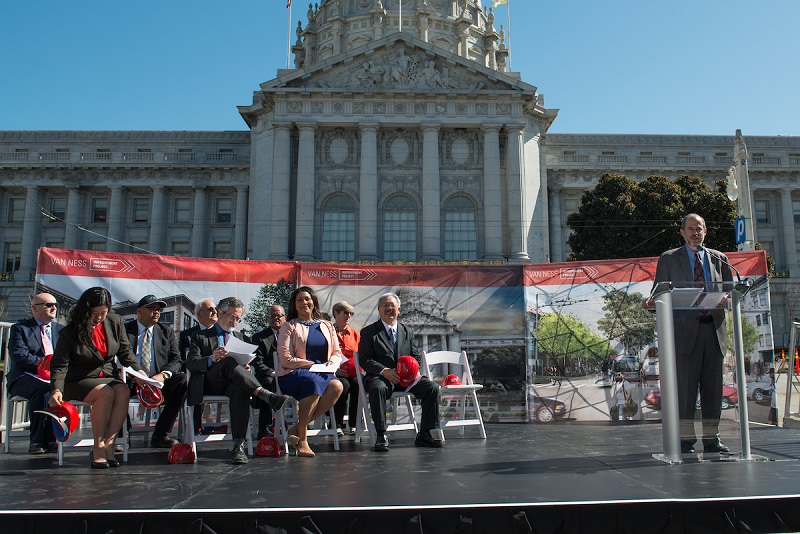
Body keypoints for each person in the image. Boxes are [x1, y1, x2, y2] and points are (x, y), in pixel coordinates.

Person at [646, 213, 734, 454]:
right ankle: (685, 441)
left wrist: (727, 299)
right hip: (684, 334)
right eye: (691, 228)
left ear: (706, 231)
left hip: (714, 332)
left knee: (713, 390)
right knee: (685, 390)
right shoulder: (669, 259)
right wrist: (654, 302)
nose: (696, 232)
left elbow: (731, 293)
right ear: (682, 232)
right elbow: (660, 293)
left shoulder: (720, 260)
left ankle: (711, 440)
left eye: (700, 228)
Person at [186, 297, 288, 464]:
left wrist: (248, 370)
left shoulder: (243, 338)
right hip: (209, 382)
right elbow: (191, 363)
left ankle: (238, 445)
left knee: (240, 388)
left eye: (238, 319)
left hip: (234, 383)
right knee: (227, 361)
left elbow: (254, 365)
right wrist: (212, 358)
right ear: (220, 313)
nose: (235, 321)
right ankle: (263, 393)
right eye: (231, 317)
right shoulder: (200, 335)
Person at [49, 287, 141, 469]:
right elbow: (60, 364)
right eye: (95, 313)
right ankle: (97, 447)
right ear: (86, 310)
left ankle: (110, 444)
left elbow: (125, 351)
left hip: (107, 375)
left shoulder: (115, 321)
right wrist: (56, 389)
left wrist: (140, 374)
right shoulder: (70, 332)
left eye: (103, 313)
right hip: (79, 379)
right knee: (105, 393)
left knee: (122, 389)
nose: (99, 317)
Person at [358, 292, 443, 452]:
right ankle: (381, 435)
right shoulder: (369, 332)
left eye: (392, 306)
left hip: (406, 379)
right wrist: (384, 371)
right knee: (378, 388)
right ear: (379, 309)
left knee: (431, 387)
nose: (389, 309)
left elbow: (415, 356)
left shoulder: (407, 331)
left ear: (399, 309)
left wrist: (412, 372)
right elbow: (365, 359)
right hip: (381, 377)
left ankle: (424, 433)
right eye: (385, 305)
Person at [275, 286, 344, 457]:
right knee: (312, 382)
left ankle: (296, 428)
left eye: (307, 299)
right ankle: (302, 441)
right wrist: (310, 364)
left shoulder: (327, 325)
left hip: (323, 372)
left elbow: (337, 352)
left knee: (337, 387)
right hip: (295, 372)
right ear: (294, 305)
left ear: (313, 302)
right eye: (299, 300)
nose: (304, 302)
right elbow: (285, 359)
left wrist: (331, 364)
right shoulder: (288, 326)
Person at [124, 295, 188, 448]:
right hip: (131, 379)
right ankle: (121, 434)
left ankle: (161, 434)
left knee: (183, 381)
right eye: (151, 309)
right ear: (139, 311)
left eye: (158, 310)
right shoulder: (125, 330)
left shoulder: (166, 331)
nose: (156, 312)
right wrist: (134, 375)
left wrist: (163, 375)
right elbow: (119, 357)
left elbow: (176, 360)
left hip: (157, 381)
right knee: (117, 386)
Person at [8, 293, 63, 454]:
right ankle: (38, 440)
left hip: (55, 376)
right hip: (25, 376)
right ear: (34, 308)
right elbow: (20, 357)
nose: (53, 308)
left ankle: (54, 438)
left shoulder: (62, 330)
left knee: (56, 388)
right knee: (43, 390)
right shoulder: (20, 329)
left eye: (55, 305)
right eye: (48, 305)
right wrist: (46, 366)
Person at [178, 298, 218, 434]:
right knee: (194, 381)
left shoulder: (222, 333)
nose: (215, 312)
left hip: (220, 376)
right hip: (197, 375)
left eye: (215, 309)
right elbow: (183, 361)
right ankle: (195, 429)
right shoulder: (187, 336)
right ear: (199, 314)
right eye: (210, 309)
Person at [249, 304, 286, 439]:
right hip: (268, 375)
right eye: (272, 315)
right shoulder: (259, 337)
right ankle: (264, 428)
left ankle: (302, 426)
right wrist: (273, 373)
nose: (276, 318)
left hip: (288, 374)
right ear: (268, 319)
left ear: (285, 318)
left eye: (279, 315)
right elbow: (257, 362)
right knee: (267, 384)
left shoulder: (291, 335)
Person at [331, 301, 359, 435]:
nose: (348, 316)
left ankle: (354, 424)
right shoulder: (327, 332)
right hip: (333, 373)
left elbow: (361, 354)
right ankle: (336, 424)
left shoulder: (355, 334)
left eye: (351, 313)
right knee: (343, 385)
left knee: (358, 384)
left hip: (353, 373)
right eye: (345, 313)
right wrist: (334, 369)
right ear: (336, 313)